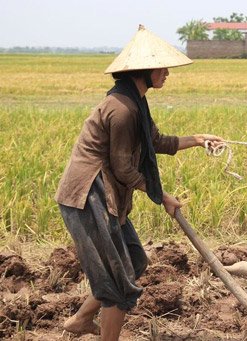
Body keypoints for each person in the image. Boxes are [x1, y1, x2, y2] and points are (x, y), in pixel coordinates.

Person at [55, 25, 224, 340]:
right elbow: (123, 169)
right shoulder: (122, 110)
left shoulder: (136, 102)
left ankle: (80, 320)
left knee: (133, 260)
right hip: (88, 197)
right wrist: (162, 197)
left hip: (105, 194)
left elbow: (156, 141)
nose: (167, 74)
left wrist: (199, 139)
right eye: (162, 68)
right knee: (119, 284)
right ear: (143, 70)